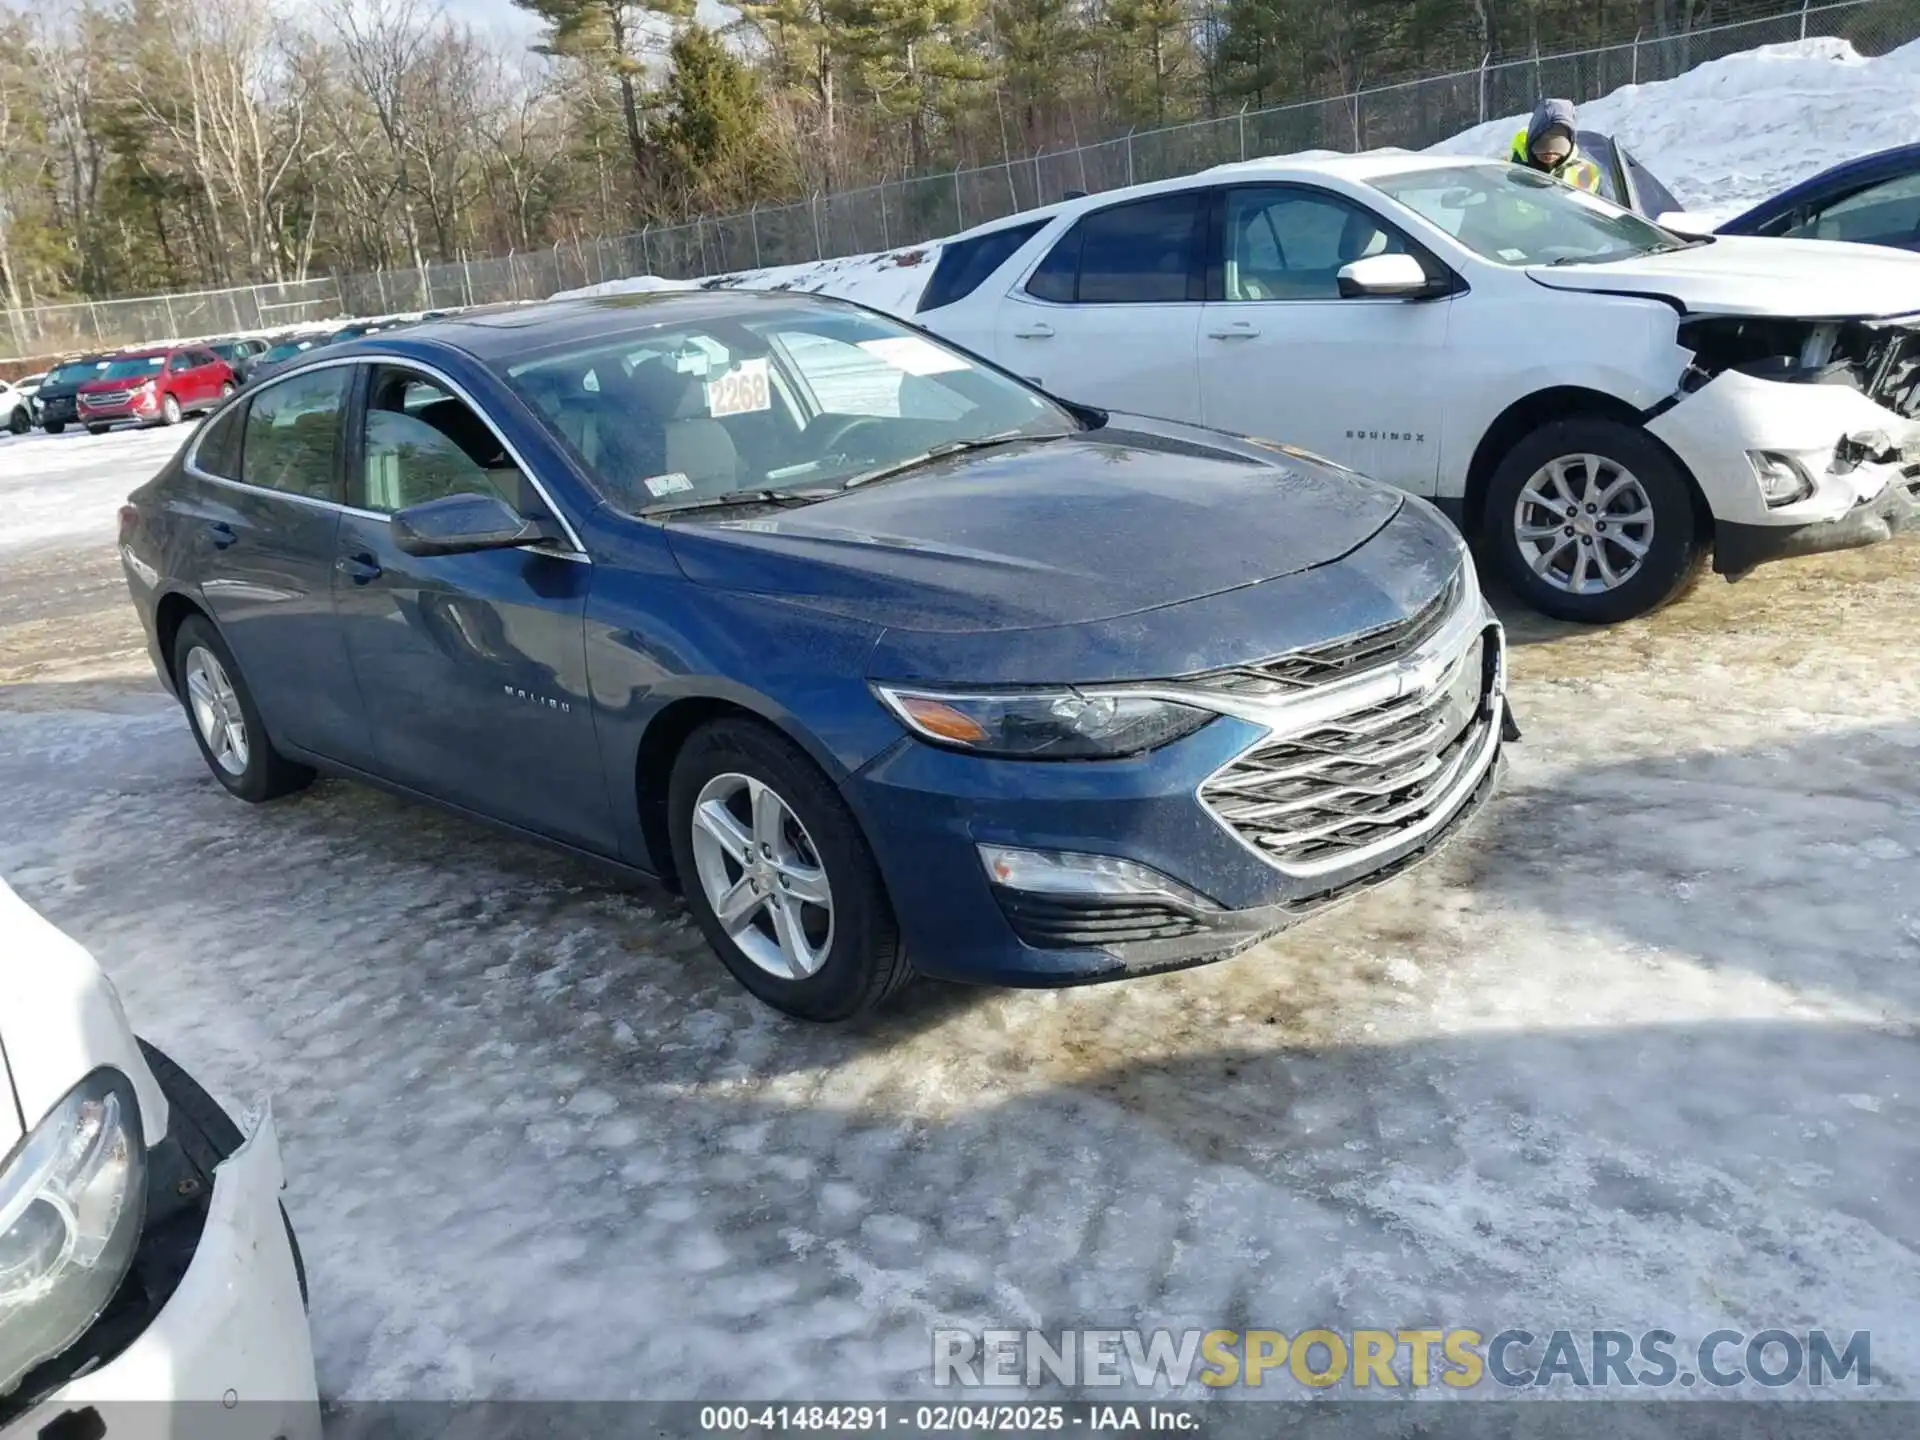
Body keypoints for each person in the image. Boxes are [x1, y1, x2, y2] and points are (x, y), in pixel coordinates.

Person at [1508, 99, 1603, 192]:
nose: (1549, 151)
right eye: (1542, 142)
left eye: (1560, 143)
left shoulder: (1586, 173)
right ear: (1531, 139)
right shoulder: (1508, 165)